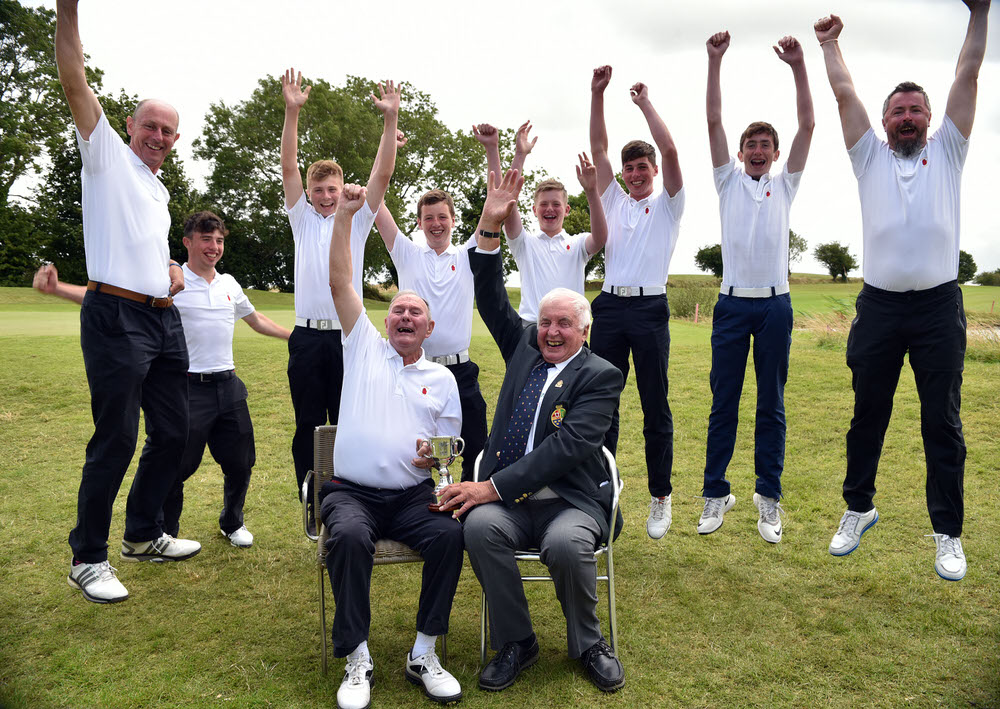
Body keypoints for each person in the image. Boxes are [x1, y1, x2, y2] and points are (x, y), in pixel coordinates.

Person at [815, 0, 990, 581]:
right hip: (880, 306)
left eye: (916, 110)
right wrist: (829, 44)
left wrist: (980, 10)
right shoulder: (869, 157)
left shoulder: (949, 151)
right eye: (898, 111)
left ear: (932, 118)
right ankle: (858, 509)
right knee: (869, 413)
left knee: (941, 420)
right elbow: (844, 96)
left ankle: (948, 534)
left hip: (940, 306)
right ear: (886, 123)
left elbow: (968, 72)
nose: (907, 117)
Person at [439, 170, 627, 694]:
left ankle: (588, 643)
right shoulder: (525, 348)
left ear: (583, 331)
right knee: (478, 530)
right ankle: (517, 642)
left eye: (564, 323)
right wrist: (489, 224)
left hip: (569, 501)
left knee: (568, 547)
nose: (551, 331)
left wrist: (490, 488)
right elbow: (490, 292)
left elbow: (570, 447)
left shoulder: (600, 375)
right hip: (513, 504)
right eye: (545, 322)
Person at [33, 212, 292, 550]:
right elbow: (108, 298)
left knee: (241, 461)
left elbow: (256, 320)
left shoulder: (229, 284)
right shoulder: (169, 281)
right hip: (185, 387)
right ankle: (163, 531)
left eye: (219, 240)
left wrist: (294, 338)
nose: (213, 247)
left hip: (228, 385)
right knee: (174, 464)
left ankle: (233, 521)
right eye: (206, 239)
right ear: (187, 242)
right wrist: (57, 289)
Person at [55, 0, 199, 604]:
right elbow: (73, 76)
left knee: (176, 432)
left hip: (163, 319)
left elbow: (140, 239)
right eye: (151, 126)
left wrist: (169, 265)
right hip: (116, 316)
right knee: (115, 438)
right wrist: (68, 10)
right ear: (131, 126)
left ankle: (144, 533)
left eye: (168, 131)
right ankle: (87, 557)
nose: (159, 137)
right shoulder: (106, 154)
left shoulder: (157, 184)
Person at [323, 183, 464, 709]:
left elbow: (448, 450)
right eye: (398, 311)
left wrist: (440, 462)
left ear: (429, 327)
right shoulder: (363, 348)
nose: (405, 317)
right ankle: (357, 655)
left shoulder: (442, 379)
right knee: (352, 539)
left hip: (410, 496)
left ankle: (423, 653)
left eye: (415, 314)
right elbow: (340, 281)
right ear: (386, 321)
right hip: (351, 493)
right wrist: (343, 217)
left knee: (450, 538)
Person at [699, 32, 814, 542]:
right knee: (724, 402)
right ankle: (715, 493)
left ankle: (768, 497)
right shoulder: (726, 181)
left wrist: (798, 67)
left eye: (767, 145)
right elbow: (713, 121)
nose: (760, 151)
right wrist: (714, 61)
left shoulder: (785, 182)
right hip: (731, 304)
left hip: (775, 305)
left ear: (775, 152)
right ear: (742, 153)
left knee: (771, 403)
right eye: (753, 145)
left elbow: (809, 123)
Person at [280, 68, 400, 506]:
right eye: (319, 190)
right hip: (308, 337)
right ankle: (313, 504)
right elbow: (288, 165)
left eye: (332, 189)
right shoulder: (302, 219)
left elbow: (382, 174)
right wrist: (292, 111)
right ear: (309, 192)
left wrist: (391, 119)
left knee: (350, 420)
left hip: (350, 336)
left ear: (341, 187)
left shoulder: (357, 214)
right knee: (309, 424)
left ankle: (350, 497)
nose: (327, 196)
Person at [589, 66, 684, 540]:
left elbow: (669, 149)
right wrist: (597, 94)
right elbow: (600, 148)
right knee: (601, 401)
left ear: (653, 171)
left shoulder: (668, 202)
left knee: (654, 404)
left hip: (649, 309)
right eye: (629, 169)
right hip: (608, 306)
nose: (634, 173)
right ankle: (602, 483)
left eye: (641, 167)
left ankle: (660, 496)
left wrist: (645, 103)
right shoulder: (612, 199)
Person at [373, 137, 488, 482]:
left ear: (453, 220)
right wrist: (387, 144)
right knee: (409, 449)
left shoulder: (468, 255)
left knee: (476, 447)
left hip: (460, 371)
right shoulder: (405, 252)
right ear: (419, 223)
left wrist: (493, 150)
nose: (436, 223)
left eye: (442, 217)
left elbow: (493, 206)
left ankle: (471, 512)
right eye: (428, 218)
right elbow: (375, 200)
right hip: (412, 369)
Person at [472, 122, 608, 326]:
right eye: (543, 204)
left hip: (571, 328)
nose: (550, 209)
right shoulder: (524, 243)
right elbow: (504, 196)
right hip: (531, 328)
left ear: (567, 210)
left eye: (556, 204)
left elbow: (600, 238)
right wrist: (517, 154)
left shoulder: (578, 244)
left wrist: (591, 190)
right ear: (534, 210)